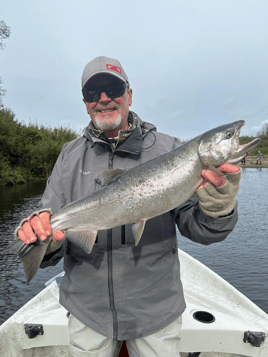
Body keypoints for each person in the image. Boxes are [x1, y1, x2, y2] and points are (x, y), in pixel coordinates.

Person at [15, 56, 242, 357]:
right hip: (86, 311)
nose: (104, 99)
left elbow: (202, 231)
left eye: (112, 88)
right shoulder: (68, 157)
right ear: (85, 102)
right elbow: (49, 223)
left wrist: (218, 209)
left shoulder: (171, 149)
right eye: (94, 93)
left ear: (129, 95)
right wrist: (42, 236)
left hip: (156, 309)